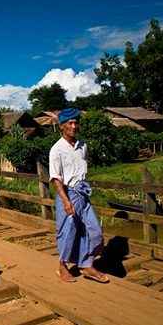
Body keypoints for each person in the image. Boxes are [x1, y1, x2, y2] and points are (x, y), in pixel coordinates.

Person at [49, 108, 109, 284]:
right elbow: (55, 179)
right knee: (67, 232)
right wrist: (66, 201)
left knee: (94, 230)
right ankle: (62, 266)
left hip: (82, 193)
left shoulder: (83, 146)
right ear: (61, 125)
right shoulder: (57, 150)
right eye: (70, 123)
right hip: (67, 194)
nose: (73, 126)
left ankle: (86, 264)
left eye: (76, 123)